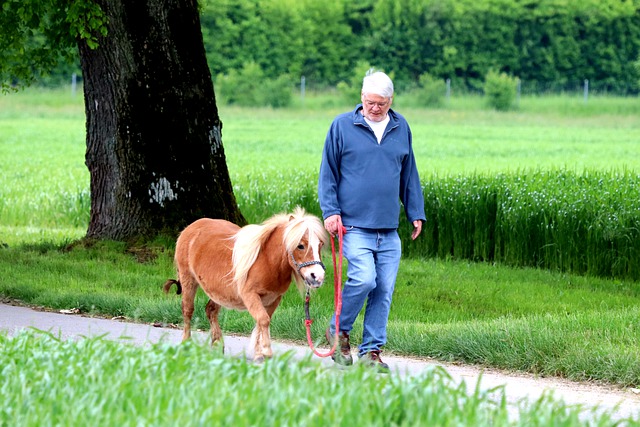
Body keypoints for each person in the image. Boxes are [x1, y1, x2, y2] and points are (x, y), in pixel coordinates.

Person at [318, 70, 426, 371]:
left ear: (390, 101)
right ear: (361, 98)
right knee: (364, 279)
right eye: (369, 102)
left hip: (388, 229)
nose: (374, 108)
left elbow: (409, 173)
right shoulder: (342, 126)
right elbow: (328, 173)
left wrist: (415, 211)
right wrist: (331, 212)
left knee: (383, 290)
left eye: (380, 103)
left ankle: (371, 352)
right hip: (353, 225)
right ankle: (337, 330)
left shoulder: (401, 127)